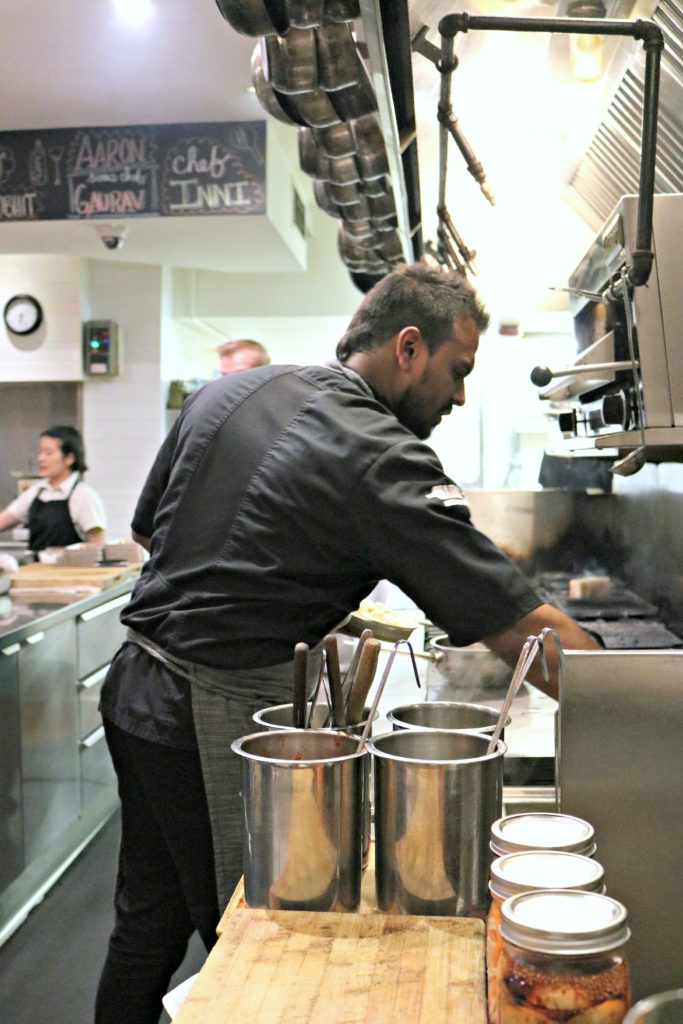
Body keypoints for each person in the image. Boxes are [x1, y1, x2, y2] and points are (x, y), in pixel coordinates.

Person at [95, 263, 599, 1024]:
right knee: (250, 946)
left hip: (133, 688)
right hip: (213, 715)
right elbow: (517, 625)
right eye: (456, 371)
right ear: (407, 347)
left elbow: (150, 531)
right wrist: (633, 699)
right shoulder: (377, 453)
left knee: (149, 919)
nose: (459, 396)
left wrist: (291, 589)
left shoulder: (233, 390)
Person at [0, 425, 106, 552]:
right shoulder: (37, 491)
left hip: (71, 570)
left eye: (48, 453)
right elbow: (4, 520)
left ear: (69, 458)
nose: (41, 458)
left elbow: (97, 546)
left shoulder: (83, 495)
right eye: (40, 452)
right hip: (36, 569)